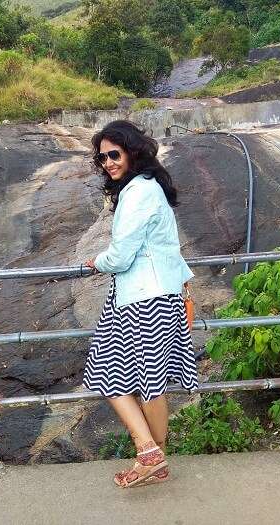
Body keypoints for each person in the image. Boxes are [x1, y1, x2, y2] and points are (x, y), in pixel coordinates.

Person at [82, 120, 198, 488]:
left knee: (106, 371)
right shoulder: (151, 189)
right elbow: (167, 248)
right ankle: (155, 459)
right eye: (102, 159)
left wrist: (95, 262)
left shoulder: (136, 192)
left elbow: (120, 255)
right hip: (160, 296)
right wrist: (185, 293)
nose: (108, 164)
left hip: (141, 299)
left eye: (113, 155)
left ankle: (149, 452)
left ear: (133, 150)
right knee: (151, 384)